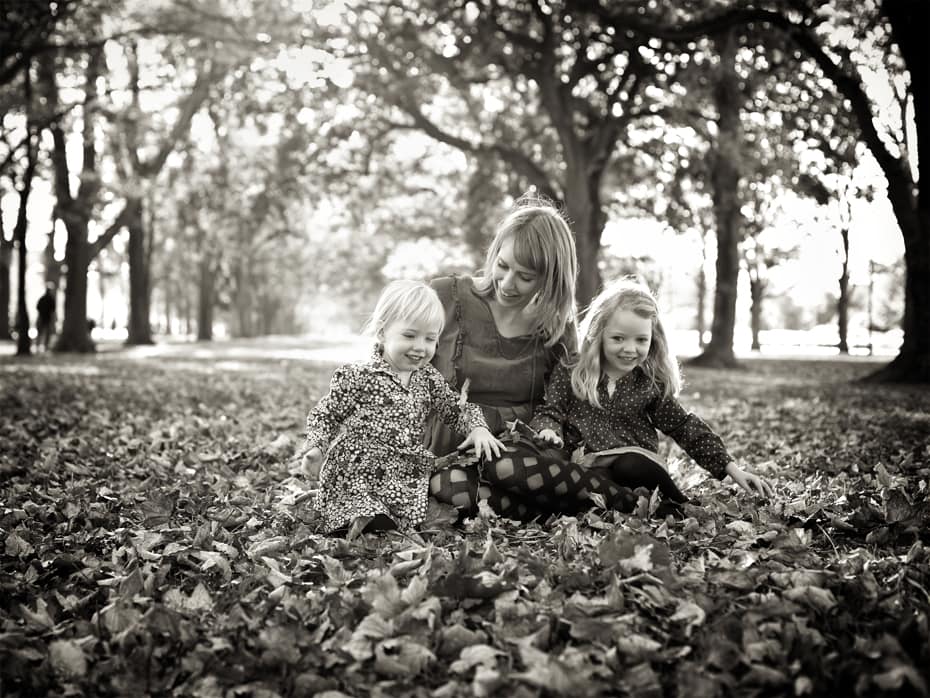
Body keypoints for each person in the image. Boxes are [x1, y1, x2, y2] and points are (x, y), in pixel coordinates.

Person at [427, 194, 645, 520]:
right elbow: (392, 362)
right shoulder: (445, 296)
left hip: (519, 449)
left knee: (502, 467)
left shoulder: (554, 328)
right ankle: (562, 508)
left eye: (526, 276)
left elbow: (566, 399)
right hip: (454, 446)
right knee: (448, 486)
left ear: (550, 278)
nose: (508, 283)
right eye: (503, 266)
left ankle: (626, 501)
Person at [531, 277, 774, 501]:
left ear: (653, 339)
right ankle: (620, 500)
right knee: (564, 472)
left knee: (630, 465)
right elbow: (551, 409)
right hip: (587, 465)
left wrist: (731, 468)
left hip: (637, 466)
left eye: (640, 340)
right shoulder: (573, 370)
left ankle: (676, 502)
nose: (630, 349)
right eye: (618, 338)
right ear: (599, 334)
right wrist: (549, 430)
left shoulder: (648, 383)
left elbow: (684, 426)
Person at [304, 279, 503, 535]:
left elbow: (454, 407)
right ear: (383, 332)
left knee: (417, 507)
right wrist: (316, 446)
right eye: (409, 336)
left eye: (430, 339)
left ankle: (385, 520)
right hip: (358, 467)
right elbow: (326, 414)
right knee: (358, 500)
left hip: (403, 469)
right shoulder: (357, 376)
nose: (420, 347)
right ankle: (359, 519)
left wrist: (476, 427)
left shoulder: (427, 378)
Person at [35, 283, 56, 351]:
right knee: (45, 333)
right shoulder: (49, 299)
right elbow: (53, 310)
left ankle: (40, 346)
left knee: (43, 333)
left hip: (44, 318)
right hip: (46, 318)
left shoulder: (43, 299)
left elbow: (37, 307)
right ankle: (43, 346)